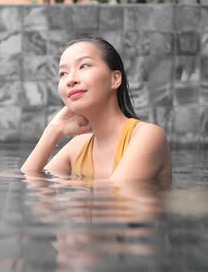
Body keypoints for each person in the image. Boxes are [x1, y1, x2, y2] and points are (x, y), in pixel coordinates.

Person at [21, 37, 172, 181]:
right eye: (63, 73)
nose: (70, 80)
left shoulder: (148, 136)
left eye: (84, 66)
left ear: (115, 79)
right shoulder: (78, 147)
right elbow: (28, 181)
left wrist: (74, 184)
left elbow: (117, 193)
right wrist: (53, 131)